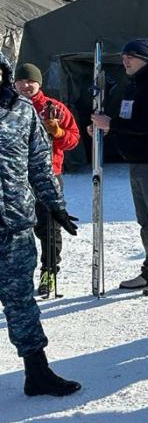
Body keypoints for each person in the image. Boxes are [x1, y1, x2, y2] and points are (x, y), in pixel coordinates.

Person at [0, 53, 81, 396]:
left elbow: (39, 164)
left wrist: (56, 206)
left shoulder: (22, 111)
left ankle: (37, 372)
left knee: (21, 301)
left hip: (15, 225)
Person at [92, 38, 148, 296]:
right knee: (145, 219)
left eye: (130, 56)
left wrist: (112, 125)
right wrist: (105, 129)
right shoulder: (135, 84)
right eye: (123, 57)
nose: (125, 61)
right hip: (138, 160)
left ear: (146, 58)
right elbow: (127, 120)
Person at [13, 63, 80, 297]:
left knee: (48, 227)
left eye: (30, 81)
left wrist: (57, 132)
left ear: (39, 83)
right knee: (15, 228)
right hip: (14, 177)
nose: (25, 85)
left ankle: (49, 271)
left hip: (48, 174)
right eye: (20, 81)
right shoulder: (7, 107)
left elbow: (73, 140)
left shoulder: (53, 108)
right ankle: (16, 276)